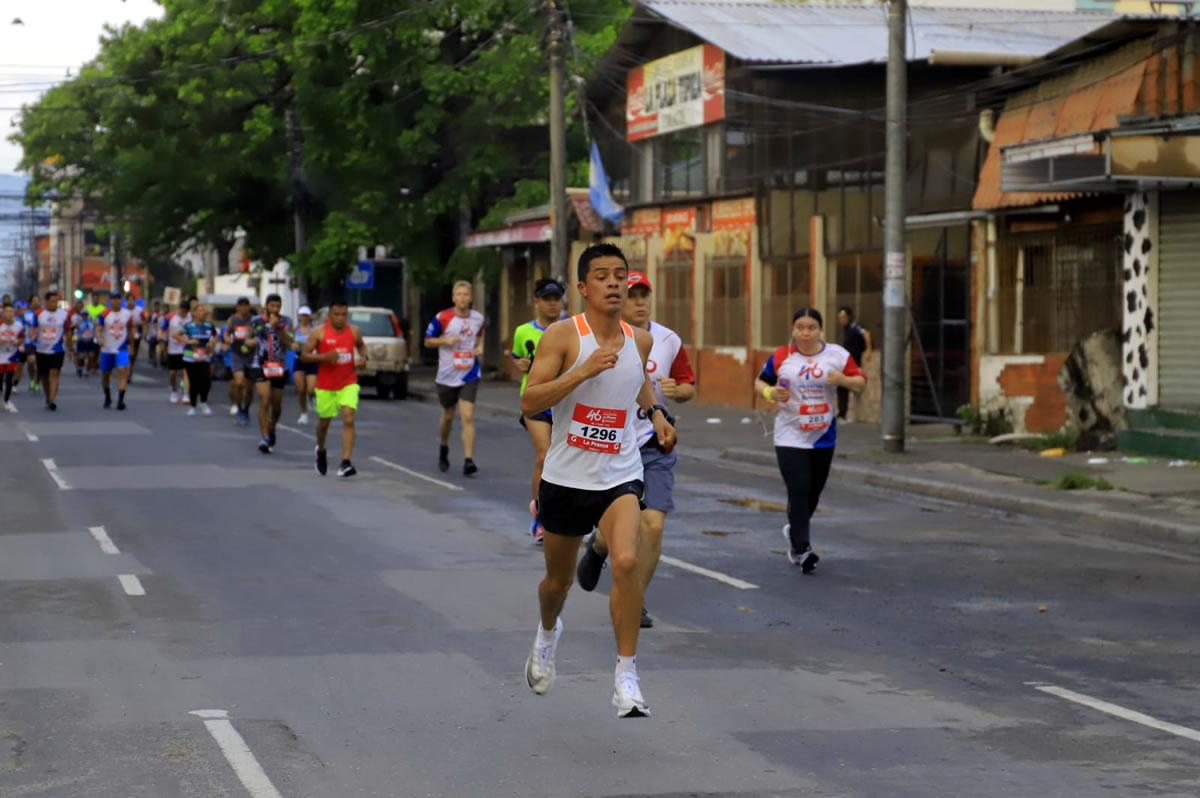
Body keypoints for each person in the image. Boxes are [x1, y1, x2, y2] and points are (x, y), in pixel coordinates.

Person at [521, 243, 675, 718]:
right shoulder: (563, 338)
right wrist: (582, 370)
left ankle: (625, 677)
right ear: (583, 289)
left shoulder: (640, 341)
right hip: (566, 476)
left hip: (619, 470)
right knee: (556, 584)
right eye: (603, 276)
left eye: (620, 275)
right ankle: (548, 633)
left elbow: (636, 379)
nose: (614, 282)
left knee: (627, 559)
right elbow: (530, 402)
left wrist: (655, 412)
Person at [575, 270, 695, 629]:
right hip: (610, 443)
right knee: (618, 525)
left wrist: (678, 391)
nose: (640, 302)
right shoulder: (595, 338)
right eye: (633, 295)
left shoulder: (667, 340)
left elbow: (689, 386)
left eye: (644, 295)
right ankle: (598, 547)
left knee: (652, 526)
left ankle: (633, 599)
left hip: (653, 443)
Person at [755, 308, 866, 573]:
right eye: (800, 327)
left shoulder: (837, 355)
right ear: (793, 330)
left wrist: (843, 380)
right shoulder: (782, 356)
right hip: (789, 435)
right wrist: (771, 392)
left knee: (814, 491)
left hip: (823, 435)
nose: (805, 333)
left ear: (820, 330)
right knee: (799, 489)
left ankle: (794, 530)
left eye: (811, 327)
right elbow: (759, 382)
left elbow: (861, 382)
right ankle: (803, 548)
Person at [511, 278, 565, 544]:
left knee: (564, 459)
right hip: (535, 401)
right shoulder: (523, 331)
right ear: (537, 302)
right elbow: (514, 362)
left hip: (565, 402)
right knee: (545, 456)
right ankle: (541, 515)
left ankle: (559, 508)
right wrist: (519, 366)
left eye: (557, 298)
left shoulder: (571, 329)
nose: (553, 303)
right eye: (547, 298)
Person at [424, 280, 485, 475]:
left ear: (471, 297)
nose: (462, 298)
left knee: (467, 416)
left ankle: (469, 460)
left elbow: (480, 334)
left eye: (466, 294)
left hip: (470, 372)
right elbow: (427, 341)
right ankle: (443, 445)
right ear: (453, 298)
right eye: (459, 294)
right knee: (448, 415)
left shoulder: (478, 318)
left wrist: (480, 347)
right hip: (447, 373)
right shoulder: (442, 318)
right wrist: (445, 340)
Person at [302, 299, 367, 478]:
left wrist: (363, 358)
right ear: (330, 315)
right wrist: (324, 357)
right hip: (326, 385)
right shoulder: (319, 332)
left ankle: (345, 463)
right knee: (324, 423)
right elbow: (304, 355)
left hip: (348, 381)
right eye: (336, 315)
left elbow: (361, 346)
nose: (340, 318)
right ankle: (321, 449)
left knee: (348, 418)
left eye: (344, 315)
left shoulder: (354, 331)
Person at [250, 294, 293, 453]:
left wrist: (279, 329)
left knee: (276, 406)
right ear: (266, 306)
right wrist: (270, 325)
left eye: (278, 306)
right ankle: (264, 437)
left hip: (279, 367)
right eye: (272, 306)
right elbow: (259, 333)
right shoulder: (256, 320)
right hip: (260, 364)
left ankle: (272, 426)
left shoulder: (286, 321)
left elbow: (288, 341)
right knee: (264, 398)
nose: (275, 309)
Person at [33, 290, 71, 411]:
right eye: (52, 301)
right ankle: (48, 397)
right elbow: (33, 329)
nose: (54, 303)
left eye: (56, 301)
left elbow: (68, 331)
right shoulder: (39, 314)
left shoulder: (64, 315)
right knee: (44, 376)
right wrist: (32, 336)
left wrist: (70, 347)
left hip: (57, 349)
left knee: (54, 374)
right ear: (46, 302)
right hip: (41, 350)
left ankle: (52, 400)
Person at [223, 297, 257, 426]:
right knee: (238, 383)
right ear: (237, 307)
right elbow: (226, 333)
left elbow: (260, 335)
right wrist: (228, 339)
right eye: (241, 306)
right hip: (237, 354)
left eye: (246, 305)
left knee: (248, 388)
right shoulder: (233, 320)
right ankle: (238, 407)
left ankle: (245, 410)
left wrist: (253, 340)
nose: (243, 308)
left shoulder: (254, 320)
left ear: (249, 307)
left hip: (251, 355)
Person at [835, 307, 872, 422]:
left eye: (844, 317)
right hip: (846, 363)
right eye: (840, 317)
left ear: (849, 317)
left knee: (854, 388)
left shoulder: (855, 327)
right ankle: (842, 414)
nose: (842, 320)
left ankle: (853, 415)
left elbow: (866, 333)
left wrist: (869, 349)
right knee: (841, 387)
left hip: (855, 364)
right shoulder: (845, 330)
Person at [99, 291, 134, 410]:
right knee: (105, 375)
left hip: (122, 348)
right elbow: (98, 328)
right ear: (110, 300)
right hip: (107, 349)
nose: (116, 301)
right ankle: (107, 396)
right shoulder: (104, 314)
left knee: (122, 372)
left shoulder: (127, 315)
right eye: (113, 299)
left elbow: (130, 331)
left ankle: (120, 400)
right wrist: (99, 338)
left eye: (118, 299)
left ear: (121, 300)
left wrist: (131, 345)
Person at [181, 303, 217, 416]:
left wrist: (211, 342)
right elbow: (175, 335)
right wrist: (188, 341)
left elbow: (215, 335)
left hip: (204, 357)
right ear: (195, 313)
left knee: (206, 380)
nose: (203, 313)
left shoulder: (209, 326)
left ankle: (203, 402)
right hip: (190, 358)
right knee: (194, 382)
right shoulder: (188, 326)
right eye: (200, 311)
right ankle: (192, 406)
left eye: (204, 311)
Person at [291, 306, 317, 424]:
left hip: (312, 361)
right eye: (302, 315)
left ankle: (311, 397)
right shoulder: (294, 329)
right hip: (299, 360)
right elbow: (289, 342)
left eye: (306, 315)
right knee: (301, 389)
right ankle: (303, 413)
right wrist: (293, 345)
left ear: (310, 316)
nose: (304, 317)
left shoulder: (315, 330)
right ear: (299, 316)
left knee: (311, 389)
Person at [163, 300, 190, 404]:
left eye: (185, 311)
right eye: (181, 310)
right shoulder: (170, 317)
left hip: (187, 349)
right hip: (173, 349)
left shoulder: (190, 318)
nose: (182, 313)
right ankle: (174, 391)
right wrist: (162, 338)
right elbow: (162, 329)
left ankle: (186, 394)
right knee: (172, 373)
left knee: (186, 371)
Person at [0, 302, 23, 412]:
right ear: (2, 313)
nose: (9, 314)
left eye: (11, 312)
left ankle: (6, 401)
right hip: (0, 355)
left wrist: (17, 341)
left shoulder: (18, 326)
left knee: (9, 379)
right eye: (7, 311)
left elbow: (22, 339)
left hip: (12, 355)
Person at [21, 295, 41, 394]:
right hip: (29, 341)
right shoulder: (26, 314)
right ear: (30, 303)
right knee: (31, 361)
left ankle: (37, 382)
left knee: (39, 365)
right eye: (34, 301)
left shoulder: (43, 313)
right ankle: (32, 378)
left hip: (42, 342)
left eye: (38, 301)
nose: (36, 303)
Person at [127, 296, 145, 373]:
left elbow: (144, 321)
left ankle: (131, 369)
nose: (130, 302)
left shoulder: (139, 310)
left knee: (133, 354)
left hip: (137, 334)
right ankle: (128, 371)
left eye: (132, 300)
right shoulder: (124, 310)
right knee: (128, 354)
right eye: (129, 300)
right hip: (127, 334)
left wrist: (138, 324)